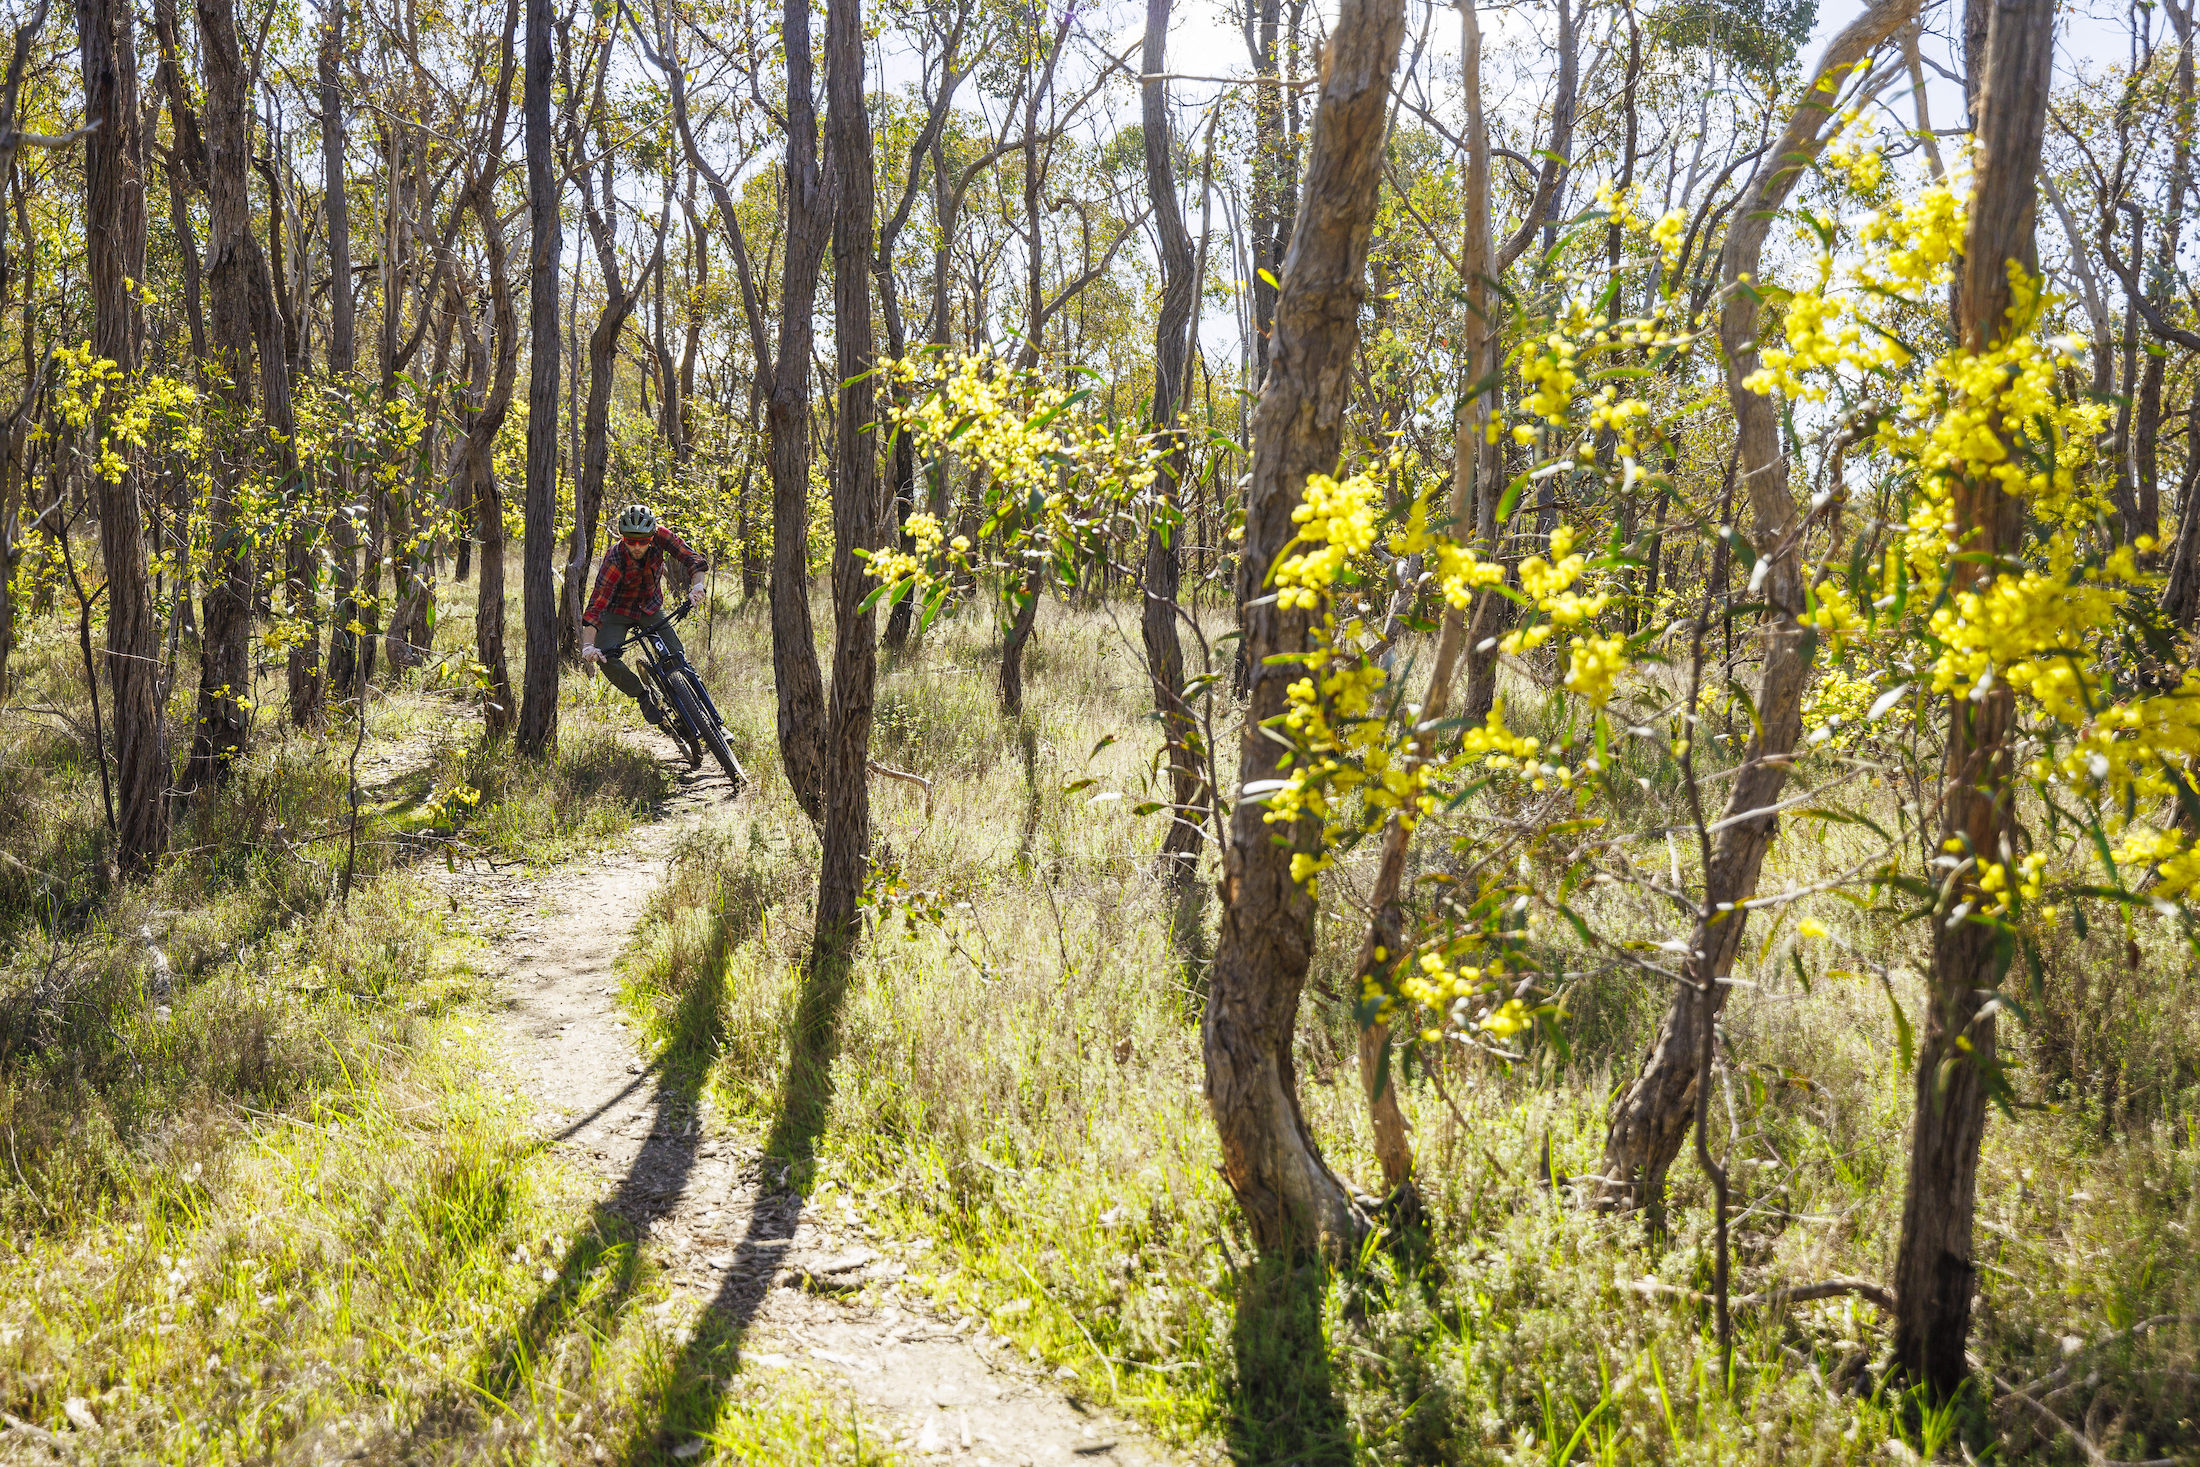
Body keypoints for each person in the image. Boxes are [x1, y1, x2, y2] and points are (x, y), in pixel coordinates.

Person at [579, 503, 709, 730]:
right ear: (622, 537)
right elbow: (597, 605)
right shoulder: (614, 558)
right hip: (616, 612)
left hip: (650, 607)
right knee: (606, 657)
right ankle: (643, 695)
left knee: (677, 657)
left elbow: (693, 559)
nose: (637, 546)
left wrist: (698, 585)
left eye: (643, 541)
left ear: (652, 536)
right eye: (631, 541)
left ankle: (708, 717)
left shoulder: (662, 536)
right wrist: (588, 645)